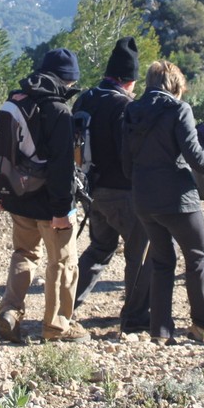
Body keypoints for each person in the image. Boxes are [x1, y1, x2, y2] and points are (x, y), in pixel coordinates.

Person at [123, 60, 204, 344]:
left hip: (143, 197)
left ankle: (160, 330)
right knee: (196, 258)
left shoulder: (132, 110)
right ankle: (202, 325)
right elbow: (194, 156)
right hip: (179, 198)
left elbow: (125, 160)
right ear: (175, 84)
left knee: (162, 261)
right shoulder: (179, 109)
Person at [0, 48, 91, 344]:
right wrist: (62, 210)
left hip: (17, 195)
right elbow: (62, 165)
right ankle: (57, 326)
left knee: (24, 254)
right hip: (50, 203)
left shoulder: (15, 100)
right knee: (62, 261)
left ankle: (10, 311)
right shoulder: (59, 111)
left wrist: (1, 193)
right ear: (67, 80)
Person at [72, 38, 151, 335]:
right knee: (140, 253)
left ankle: (65, 307)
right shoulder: (125, 105)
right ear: (130, 80)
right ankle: (135, 318)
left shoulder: (85, 99)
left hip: (90, 189)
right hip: (122, 191)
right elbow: (127, 153)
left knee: (100, 248)